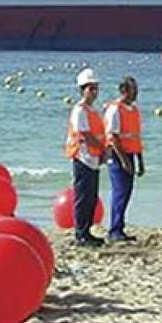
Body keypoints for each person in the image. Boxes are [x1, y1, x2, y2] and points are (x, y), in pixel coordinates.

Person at [64, 68, 106, 247]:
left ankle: (87, 231)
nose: (94, 92)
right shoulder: (80, 110)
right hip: (82, 157)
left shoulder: (93, 111)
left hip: (93, 158)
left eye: (96, 88)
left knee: (92, 197)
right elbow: (86, 135)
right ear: (83, 89)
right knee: (83, 197)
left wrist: (102, 151)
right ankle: (81, 233)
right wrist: (102, 149)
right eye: (91, 88)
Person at [103, 76, 144, 242]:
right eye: (133, 91)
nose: (136, 95)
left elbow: (136, 137)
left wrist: (140, 161)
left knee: (126, 192)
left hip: (131, 153)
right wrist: (124, 161)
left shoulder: (133, 110)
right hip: (117, 155)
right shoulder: (115, 109)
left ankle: (120, 227)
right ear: (124, 91)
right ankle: (114, 230)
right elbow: (113, 137)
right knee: (119, 192)